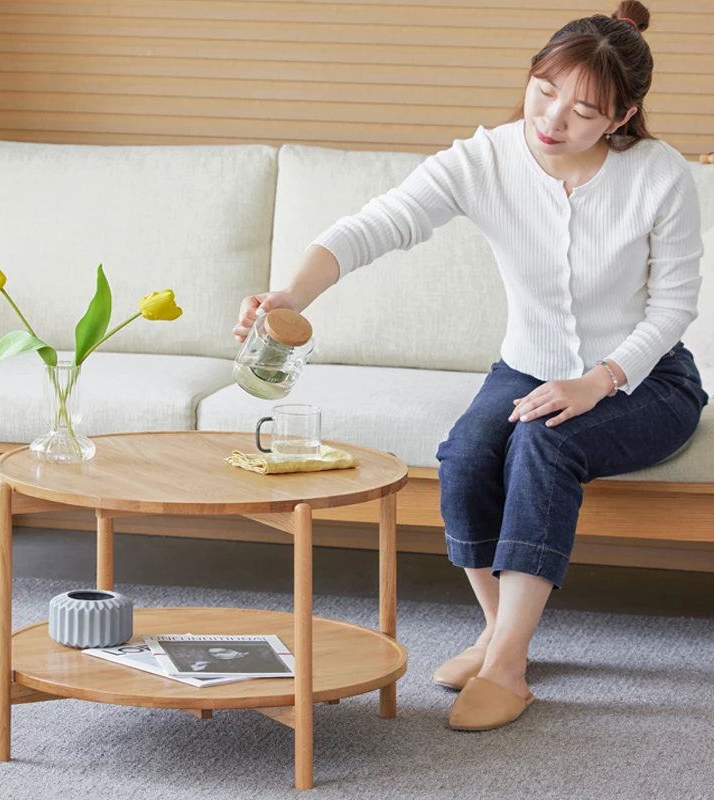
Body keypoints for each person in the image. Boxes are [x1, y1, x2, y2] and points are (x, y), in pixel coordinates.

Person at [232, 1, 709, 731]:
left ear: (621, 117)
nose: (553, 120)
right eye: (544, 91)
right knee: (464, 454)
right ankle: (498, 633)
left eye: (584, 111)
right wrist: (291, 293)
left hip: (645, 379)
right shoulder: (485, 159)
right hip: (526, 367)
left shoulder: (658, 175)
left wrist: (598, 381)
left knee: (545, 441)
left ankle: (510, 667)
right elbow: (373, 226)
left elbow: (673, 308)